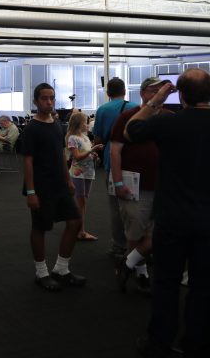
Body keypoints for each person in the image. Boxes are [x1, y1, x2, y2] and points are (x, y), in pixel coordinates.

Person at [124, 69, 210, 358]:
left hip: (172, 219)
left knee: (166, 282)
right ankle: (197, 344)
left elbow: (130, 129)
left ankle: (159, 342)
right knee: (205, 286)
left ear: (181, 94)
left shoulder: (167, 122)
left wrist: (157, 100)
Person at [110, 76, 172, 296]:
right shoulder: (128, 117)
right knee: (135, 230)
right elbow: (115, 151)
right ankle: (140, 271)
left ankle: (129, 264)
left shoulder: (169, 117)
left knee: (157, 230)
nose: (158, 94)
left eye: (161, 91)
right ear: (143, 93)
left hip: (163, 186)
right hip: (135, 185)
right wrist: (118, 182)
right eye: (153, 90)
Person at [23, 83, 86, 292]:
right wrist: (31, 192)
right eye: (44, 98)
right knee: (40, 227)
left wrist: (68, 179)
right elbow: (28, 161)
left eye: (52, 98)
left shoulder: (57, 124)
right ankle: (41, 273)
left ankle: (61, 268)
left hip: (60, 183)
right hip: (41, 186)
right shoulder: (32, 128)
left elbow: (61, 154)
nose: (49, 102)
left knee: (75, 221)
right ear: (36, 101)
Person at [93, 77, 138, 259]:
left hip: (112, 160)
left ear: (108, 93)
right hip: (134, 159)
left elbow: (98, 138)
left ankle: (119, 245)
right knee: (136, 205)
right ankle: (137, 245)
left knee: (116, 206)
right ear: (125, 91)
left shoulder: (103, 110)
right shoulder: (136, 107)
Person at [66, 112, 103, 242]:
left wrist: (94, 155)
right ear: (78, 123)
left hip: (88, 172)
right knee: (80, 202)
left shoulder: (85, 137)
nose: (87, 125)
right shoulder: (72, 138)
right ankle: (80, 231)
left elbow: (85, 154)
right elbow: (77, 157)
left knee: (83, 202)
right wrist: (92, 150)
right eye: (85, 122)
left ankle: (79, 230)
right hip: (78, 173)